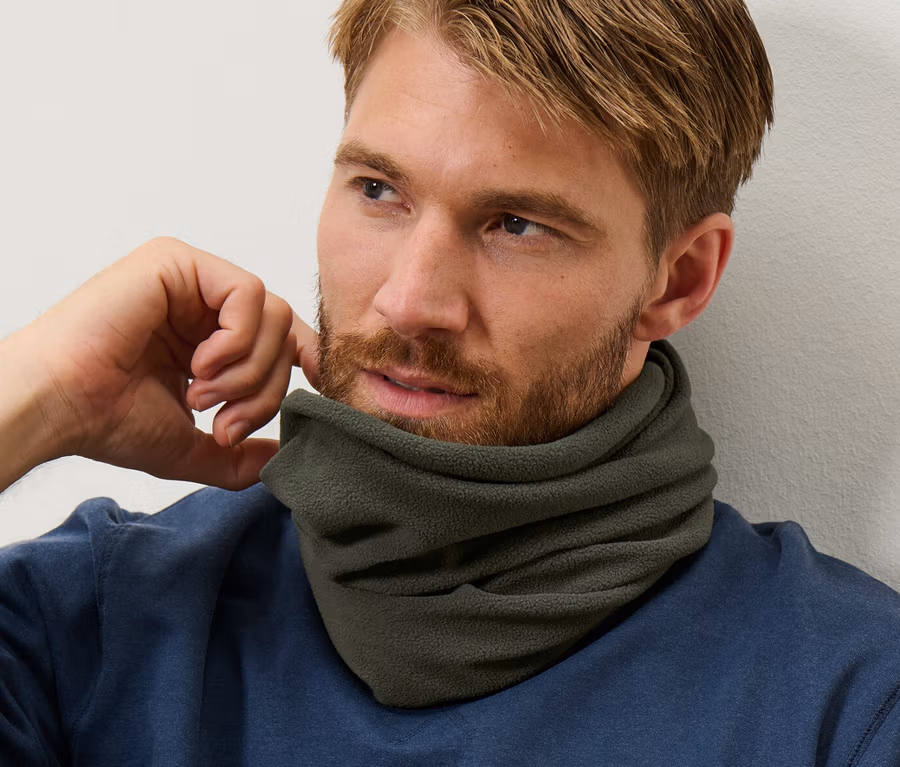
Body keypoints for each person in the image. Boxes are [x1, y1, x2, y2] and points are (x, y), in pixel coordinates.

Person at [1, 0, 898, 763]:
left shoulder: (848, 705)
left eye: (516, 224)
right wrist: (42, 395)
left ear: (679, 279)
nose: (409, 301)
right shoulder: (97, 625)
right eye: (378, 189)